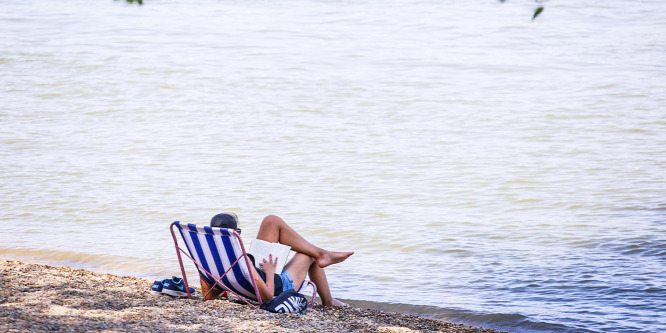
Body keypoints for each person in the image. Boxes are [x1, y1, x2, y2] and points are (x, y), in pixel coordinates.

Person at [200, 213, 354, 307]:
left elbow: (208, 295)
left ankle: (323, 255)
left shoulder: (208, 256)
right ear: (237, 233)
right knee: (308, 255)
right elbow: (268, 296)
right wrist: (269, 272)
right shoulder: (243, 259)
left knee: (271, 221)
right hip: (275, 283)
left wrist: (224, 286)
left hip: (251, 278)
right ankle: (328, 301)